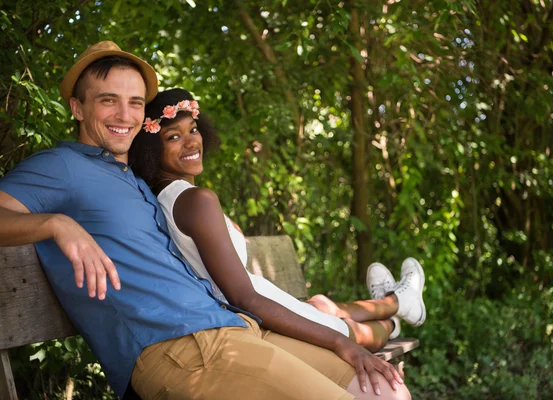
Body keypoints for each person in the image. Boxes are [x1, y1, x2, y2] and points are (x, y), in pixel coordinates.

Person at [0, 41, 410, 400]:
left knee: (388, 390)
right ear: (77, 107)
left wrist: (345, 343)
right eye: (108, 100)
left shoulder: (134, 181)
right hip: (178, 347)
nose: (123, 114)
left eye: (136, 103)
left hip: (235, 330)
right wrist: (56, 224)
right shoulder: (62, 166)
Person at [129, 88, 427, 354]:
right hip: (260, 312)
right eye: (173, 136)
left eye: (192, 129)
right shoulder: (196, 200)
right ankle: (394, 313)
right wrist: (339, 340)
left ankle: (396, 301)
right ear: (152, 150)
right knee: (367, 333)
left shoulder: (168, 198)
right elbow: (245, 297)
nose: (191, 141)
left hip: (264, 301)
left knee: (322, 305)